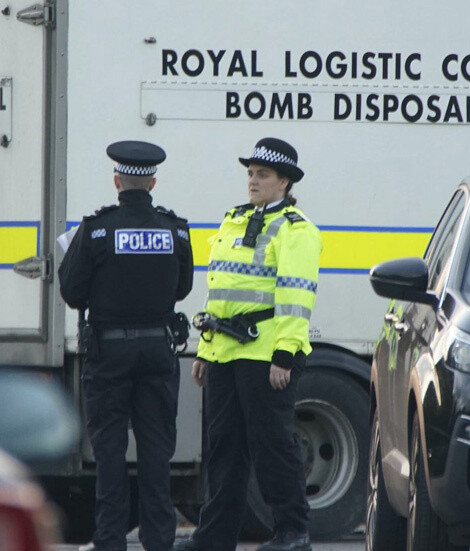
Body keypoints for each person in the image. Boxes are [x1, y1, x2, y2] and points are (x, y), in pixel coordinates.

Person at [173, 138, 322, 551]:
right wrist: (205, 349)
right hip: (226, 351)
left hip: (266, 353)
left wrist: (284, 355)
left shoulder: (296, 229)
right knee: (224, 449)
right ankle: (215, 538)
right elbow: (220, 289)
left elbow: (296, 296)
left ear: (284, 182)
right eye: (251, 174)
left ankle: (293, 532)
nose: (253, 181)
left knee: (272, 446)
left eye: (263, 175)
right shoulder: (235, 219)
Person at [59, 140, 193, 551]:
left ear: (117, 181)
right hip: (157, 351)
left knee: (110, 452)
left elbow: (71, 291)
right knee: (156, 451)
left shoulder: (96, 229)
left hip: (108, 354)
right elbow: (183, 288)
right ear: (152, 183)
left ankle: (110, 539)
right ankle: (159, 540)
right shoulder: (175, 229)